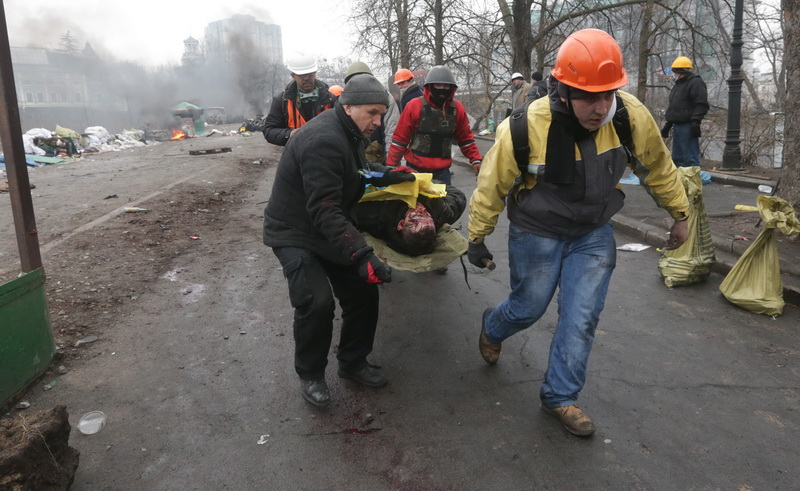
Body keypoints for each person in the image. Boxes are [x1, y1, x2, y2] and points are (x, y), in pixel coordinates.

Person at [467, 29, 690, 437]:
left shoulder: (629, 115)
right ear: (563, 89)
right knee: (529, 306)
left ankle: (560, 396)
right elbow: (491, 183)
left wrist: (680, 213)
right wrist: (477, 237)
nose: (600, 106)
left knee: (582, 316)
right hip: (537, 230)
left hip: (592, 232)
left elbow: (658, 166)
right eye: (589, 96)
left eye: (608, 94)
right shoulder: (525, 126)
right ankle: (493, 326)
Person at [263, 74, 416, 407]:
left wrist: (389, 174)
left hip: (327, 228)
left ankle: (352, 361)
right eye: (372, 113)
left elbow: (357, 169)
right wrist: (363, 255)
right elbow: (325, 209)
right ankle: (311, 374)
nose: (377, 123)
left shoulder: (348, 131)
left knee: (363, 293)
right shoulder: (323, 140)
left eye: (381, 115)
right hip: (295, 232)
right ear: (348, 107)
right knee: (316, 301)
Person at [387, 65, 483, 183]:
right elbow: (400, 139)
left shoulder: (457, 109)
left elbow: (465, 138)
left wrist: (475, 159)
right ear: (430, 86)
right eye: (438, 85)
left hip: (442, 173)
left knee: (445, 201)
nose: (442, 89)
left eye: (446, 86)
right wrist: (392, 166)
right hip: (415, 170)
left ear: (451, 88)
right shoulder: (414, 106)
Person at [353, 184, 466, 256]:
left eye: (417, 217)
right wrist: (430, 185)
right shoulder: (443, 212)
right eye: (428, 215)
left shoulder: (373, 216)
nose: (421, 209)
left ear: (401, 224)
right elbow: (458, 196)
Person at [262, 53, 334, 146]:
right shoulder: (282, 101)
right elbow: (269, 130)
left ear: (315, 73)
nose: (307, 78)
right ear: (293, 75)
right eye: (302, 75)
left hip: (327, 153)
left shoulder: (331, 99)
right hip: (296, 155)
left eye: (310, 74)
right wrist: (290, 134)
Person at [661, 56, 709, 167]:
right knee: (678, 159)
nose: (674, 74)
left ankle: (692, 182)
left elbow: (701, 104)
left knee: (689, 158)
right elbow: (676, 107)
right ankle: (681, 182)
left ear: (681, 72)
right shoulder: (679, 85)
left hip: (688, 125)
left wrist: (695, 122)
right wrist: (669, 124)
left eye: (675, 72)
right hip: (679, 125)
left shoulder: (695, 83)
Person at [384, 68, 424, 150]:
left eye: (402, 83)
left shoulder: (409, 97)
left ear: (410, 80)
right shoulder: (421, 90)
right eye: (398, 84)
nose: (400, 86)